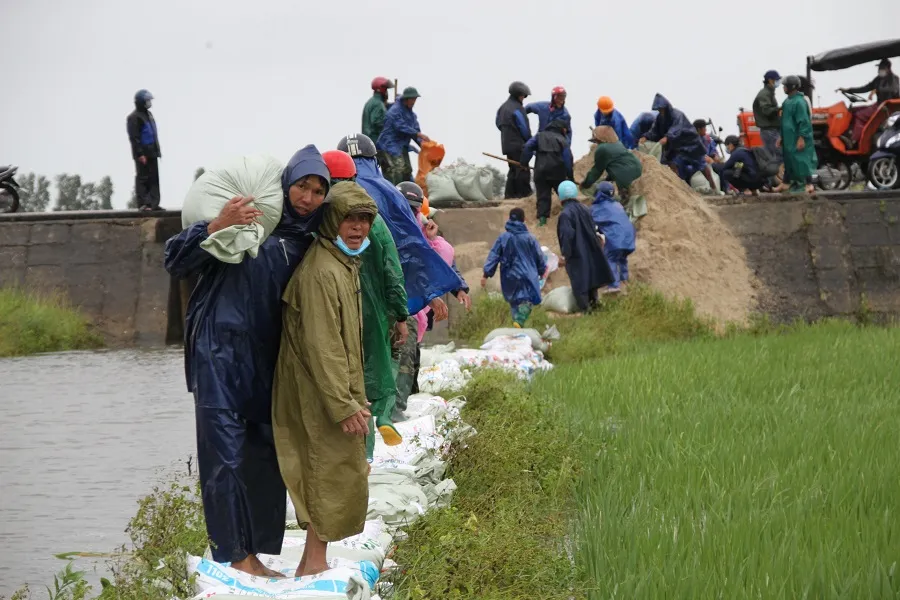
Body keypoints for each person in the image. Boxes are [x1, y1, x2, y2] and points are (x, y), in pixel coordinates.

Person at [164, 145, 330, 577]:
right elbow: (175, 260)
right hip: (217, 355)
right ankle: (236, 557)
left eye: (318, 190)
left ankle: (251, 554)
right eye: (302, 186)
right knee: (225, 459)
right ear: (285, 185)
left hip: (268, 361)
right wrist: (218, 225)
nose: (308, 197)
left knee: (261, 456)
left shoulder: (310, 242)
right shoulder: (244, 226)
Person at [272, 182, 376, 578]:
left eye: (365, 219)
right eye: (349, 218)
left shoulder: (342, 264)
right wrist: (343, 404)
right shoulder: (321, 271)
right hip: (317, 390)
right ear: (332, 219)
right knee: (325, 469)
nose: (357, 227)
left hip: (333, 389)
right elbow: (323, 346)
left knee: (336, 468)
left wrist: (354, 396)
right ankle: (313, 562)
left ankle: (311, 559)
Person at [338, 134, 468, 418]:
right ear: (375, 161)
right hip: (381, 301)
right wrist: (425, 295)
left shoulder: (330, 196)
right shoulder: (389, 194)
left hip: (337, 297)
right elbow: (408, 250)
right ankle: (383, 423)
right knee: (383, 363)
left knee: (346, 368)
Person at [322, 150, 407, 458]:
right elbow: (392, 270)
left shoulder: (323, 219)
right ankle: (378, 428)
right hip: (373, 311)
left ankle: (357, 454)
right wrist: (400, 315)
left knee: (344, 384)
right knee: (378, 372)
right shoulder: (373, 219)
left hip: (333, 313)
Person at [481, 207, 548, 327]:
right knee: (529, 300)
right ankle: (520, 321)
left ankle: (518, 329)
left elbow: (494, 256)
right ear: (523, 220)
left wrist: (486, 274)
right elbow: (539, 256)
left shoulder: (503, 238)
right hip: (527, 275)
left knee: (514, 302)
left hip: (509, 276)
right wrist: (542, 270)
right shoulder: (530, 238)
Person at [639, 94, 717, 191]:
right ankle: (678, 189)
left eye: (662, 109)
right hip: (674, 145)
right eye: (659, 109)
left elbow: (676, 128)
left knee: (700, 164)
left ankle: (714, 187)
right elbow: (655, 131)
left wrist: (667, 137)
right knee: (671, 163)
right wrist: (646, 136)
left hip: (689, 142)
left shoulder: (677, 115)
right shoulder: (660, 118)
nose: (661, 111)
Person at [556, 180, 613, 312]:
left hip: (577, 254)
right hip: (591, 250)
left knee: (580, 284)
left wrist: (565, 255)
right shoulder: (585, 209)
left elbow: (567, 236)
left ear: (561, 196)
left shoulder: (565, 214)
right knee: (591, 281)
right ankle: (596, 306)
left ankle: (585, 311)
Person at [838, 59, 900, 146]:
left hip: (885, 108)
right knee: (852, 111)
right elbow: (865, 88)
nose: (879, 70)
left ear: (887, 68)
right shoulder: (878, 79)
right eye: (879, 68)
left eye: (881, 68)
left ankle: (854, 140)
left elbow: (893, 90)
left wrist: (876, 90)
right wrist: (848, 90)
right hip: (878, 105)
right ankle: (848, 134)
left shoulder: (893, 79)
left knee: (859, 115)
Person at [377, 87, 431, 185]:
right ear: (406, 99)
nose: (414, 102)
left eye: (415, 99)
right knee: (397, 169)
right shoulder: (395, 111)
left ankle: (411, 192)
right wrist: (418, 134)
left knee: (407, 170)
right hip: (389, 145)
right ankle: (395, 192)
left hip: (402, 146)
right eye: (412, 99)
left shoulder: (411, 115)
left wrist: (424, 146)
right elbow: (400, 126)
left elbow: (415, 130)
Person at [521, 119, 570, 227]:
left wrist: (524, 163)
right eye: (565, 129)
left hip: (541, 171)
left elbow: (527, 147)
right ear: (561, 128)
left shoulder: (539, 136)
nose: (566, 131)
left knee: (543, 196)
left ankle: (542, 221)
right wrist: (570, 176)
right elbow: (568, 158)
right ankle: (571, 216)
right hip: (558, 172)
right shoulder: (562, 139)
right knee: (565, 195)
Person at [591, 182, 635, 293]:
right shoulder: (617, 205)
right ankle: (624, 280)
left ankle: (614, 286)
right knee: (622, 258)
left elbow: (591, 223)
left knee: (609, 258)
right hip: (630, 238)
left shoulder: (598, 208)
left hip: (617, 239)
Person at [580, 126, 643, 202]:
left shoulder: (602, 149)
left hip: (625, 176)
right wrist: (608, 178)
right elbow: (617, 164)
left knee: (623, 200)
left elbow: (596, 171)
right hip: (638, 169)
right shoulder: (618, 143)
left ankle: (623, 198)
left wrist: (585, 184)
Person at [496, 81, 534, 199]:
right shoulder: (517, 108)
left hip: (506, 144)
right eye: (523, 95)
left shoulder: (502, 108)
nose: (524, 98)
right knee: (523, 168)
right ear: (519, 95)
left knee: (513, 169)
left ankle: (510, 195)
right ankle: (525, 195)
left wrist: (507, 134)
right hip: (518, 145)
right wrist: (531, 142)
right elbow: (524, 128)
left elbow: (498, 123)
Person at [526, 86, 574, 180]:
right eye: (559, 97)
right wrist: (522, 115)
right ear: (553, 97)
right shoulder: (543, 107)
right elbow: (528, 108)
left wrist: (566, 145)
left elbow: (568, 132)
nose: (561, 100)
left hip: (557, 145)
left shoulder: (565, 115)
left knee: (558, 165)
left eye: (563, 97)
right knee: (540, 167)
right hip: (541, 141)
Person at [781, 75, 818, 194]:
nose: (783, 88)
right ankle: (792, 184)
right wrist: (781, 137)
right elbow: (785, 122)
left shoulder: (800, 102)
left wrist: (802, 137)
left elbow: (804, 121)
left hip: (796, 137)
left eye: (785, 86)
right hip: (789, 138)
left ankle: (807, 185)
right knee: (791, 161)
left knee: (801, 161)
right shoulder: (786, 102)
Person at [126, 89, 161, 211]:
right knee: (143, 179)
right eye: (147, 100)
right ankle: (144, 204)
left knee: (154, 179)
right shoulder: (134, 117)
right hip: (143, 154)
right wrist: (140, 153)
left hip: (153, 152)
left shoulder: (149, 115)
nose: (149, 103)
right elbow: (134, 137)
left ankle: (154, 204)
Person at [753, 70, 782, 157]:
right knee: (778, 154)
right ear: (770, 80)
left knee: (776, 155)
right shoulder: (764, 94)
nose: (778, 82)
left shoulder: (769, 93)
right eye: (777, 79)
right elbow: (767, 110)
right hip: (769, 131)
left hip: (772, 130)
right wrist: (780, 108)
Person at [362, 76, 394, 143]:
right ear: (382, 89)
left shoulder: (372, 101)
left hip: (369, 140)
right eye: (386, 89)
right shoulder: (378, 104)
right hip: (375, 141)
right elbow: (377, 122)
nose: (387, 92)